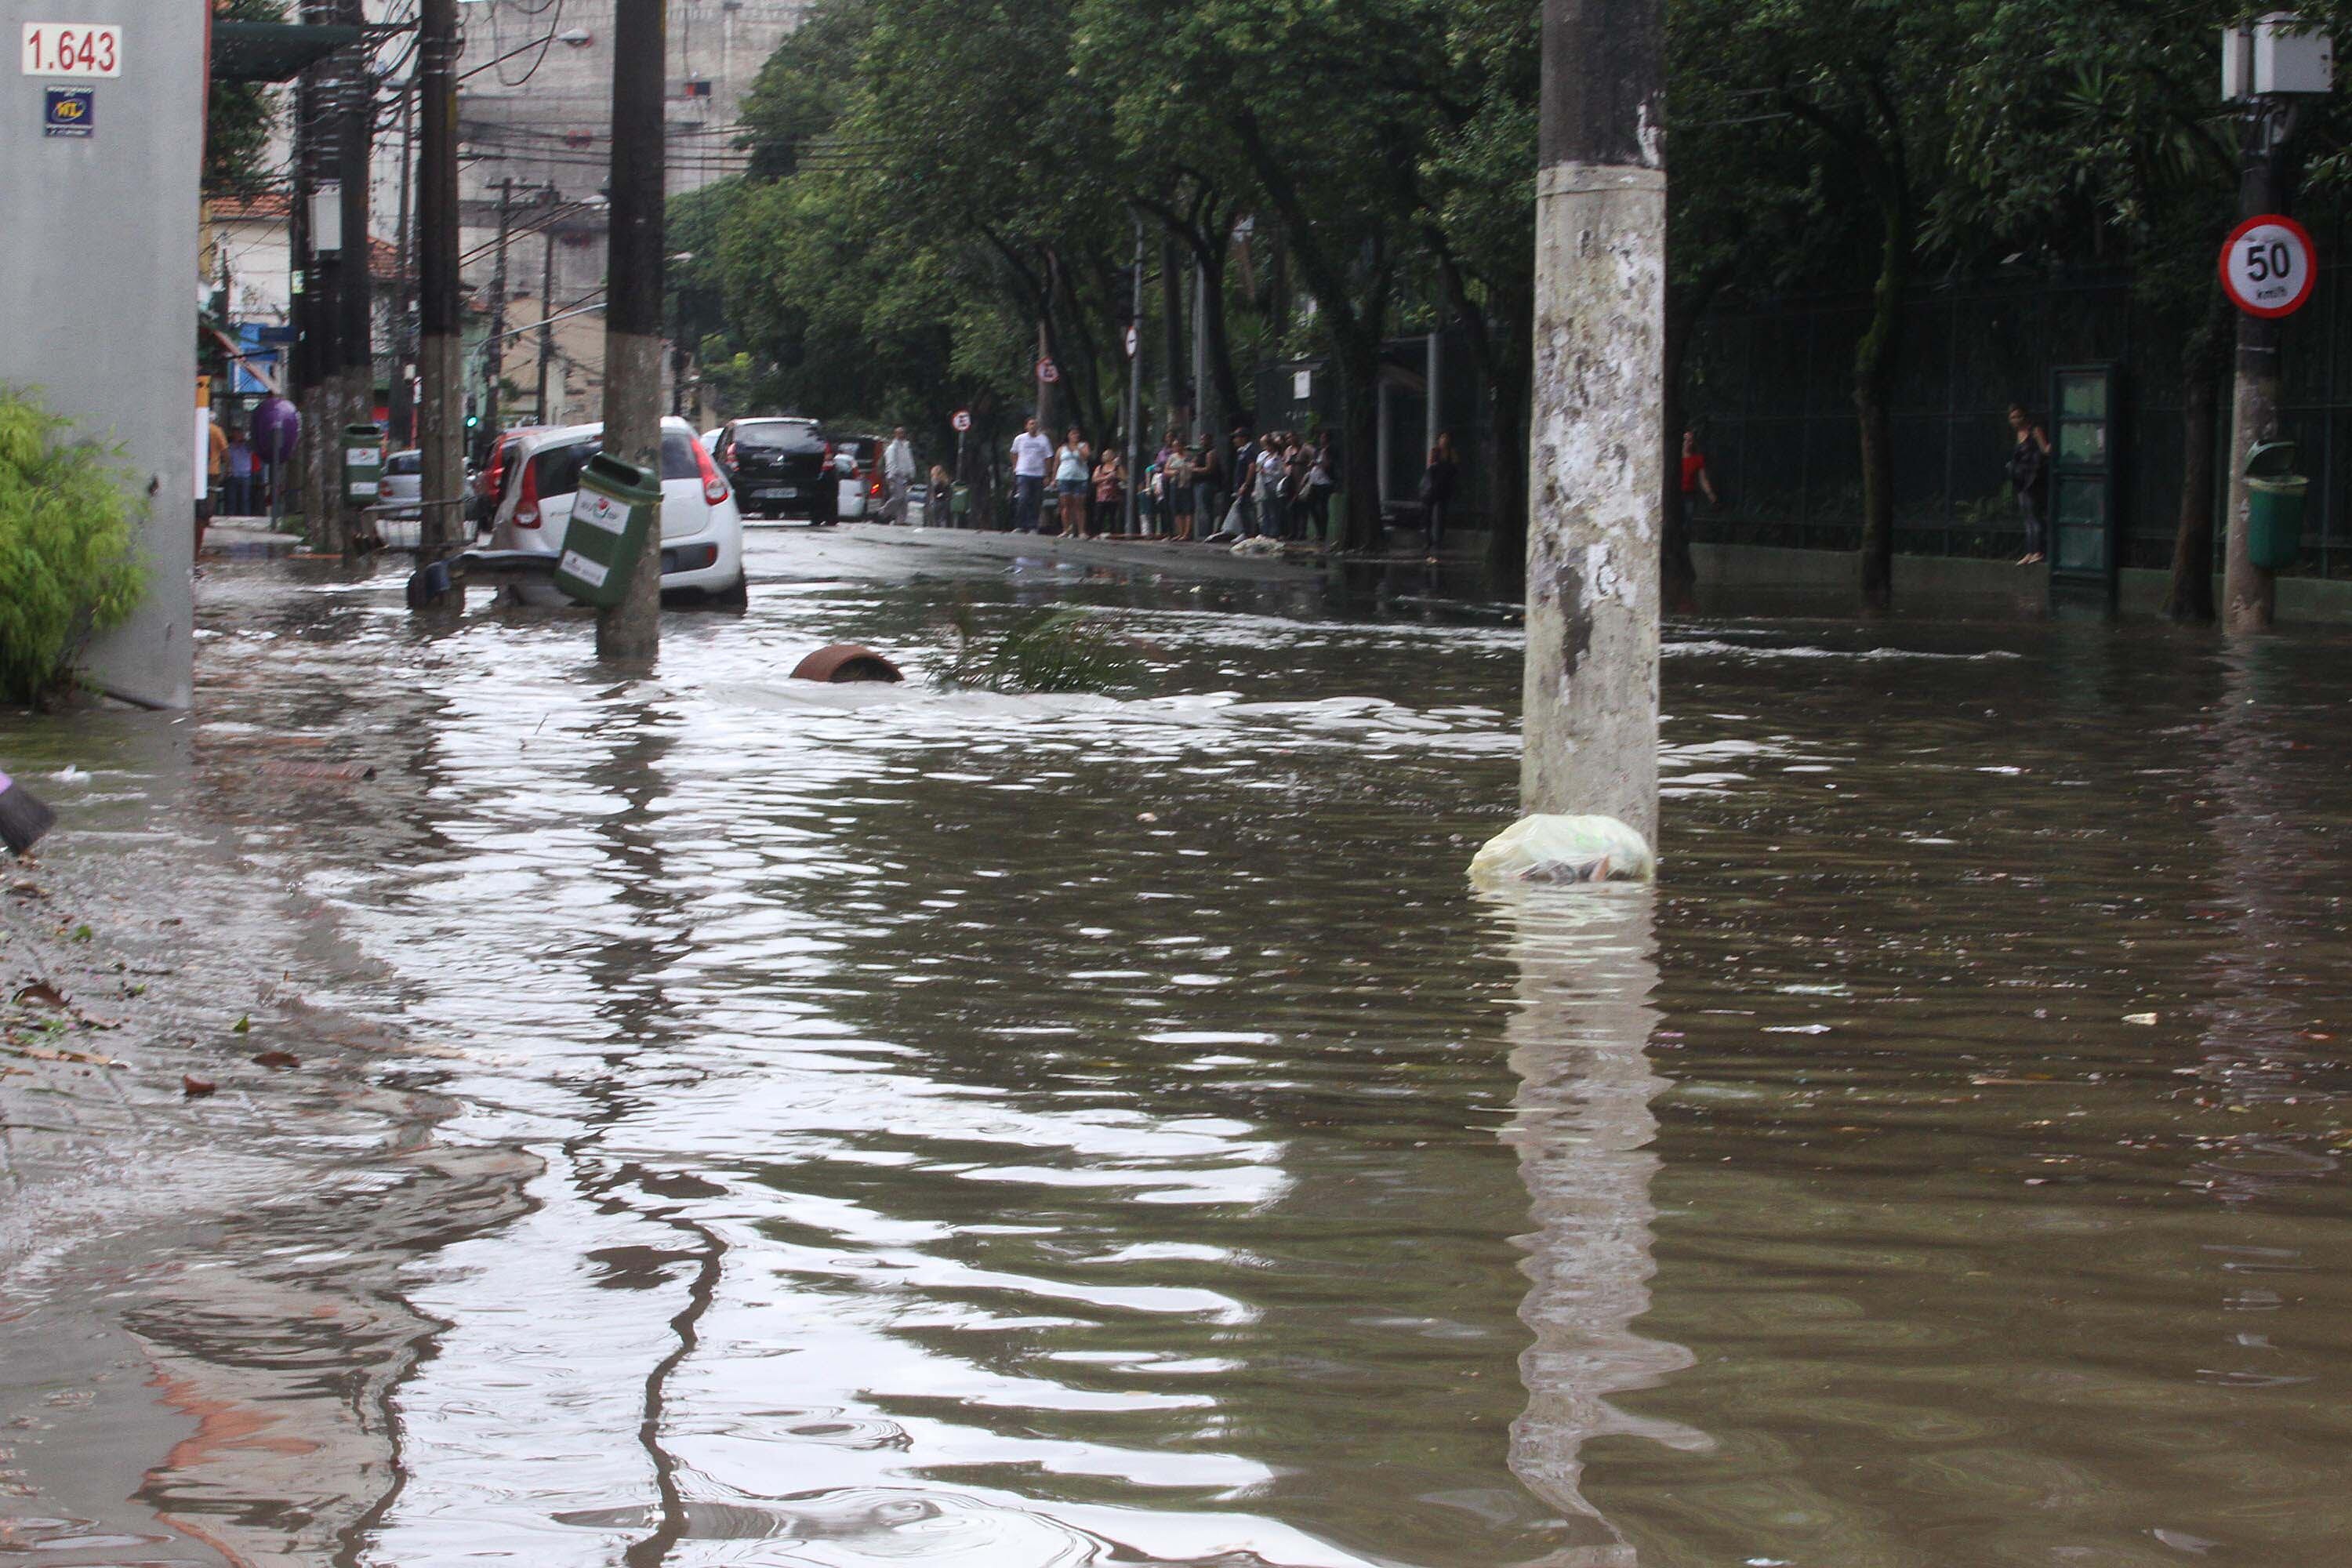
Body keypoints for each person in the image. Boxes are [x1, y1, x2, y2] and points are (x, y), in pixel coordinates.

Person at [2006, 403, 2052, 564]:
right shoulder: (2018, 434)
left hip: (2033, 479)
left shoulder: (2034, 431)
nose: (2015, 420)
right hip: (2021, 480)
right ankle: (2030, 550)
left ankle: (2038, 551)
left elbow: (2046, 450)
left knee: (2035, 515)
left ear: (2025, 416)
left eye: (2018, 416)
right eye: (2012, 418)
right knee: (2027, 517)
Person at [1421, 430, 1460, 562]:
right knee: (1428, 515)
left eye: (1446, 438)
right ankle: (1428, 540)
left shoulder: (1451, 453)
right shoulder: (1435, 452)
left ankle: (1439, 541)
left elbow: (1455, 468)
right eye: (1442, 438)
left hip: (1444, 488)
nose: (1444, 441)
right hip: (1433, 488)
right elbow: (1430, 467)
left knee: (1442, 515)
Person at [1010, 417, 1051, 533]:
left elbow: (1048, 457)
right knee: (1023, 498)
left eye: (1035, 424)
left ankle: (1033, 525)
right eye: (1031, 424)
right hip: (1023, 473)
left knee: (1036, 500)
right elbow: (1014, 453)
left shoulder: (1043, 440)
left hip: (1038, 474)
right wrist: (1015, 468)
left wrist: (1047, 475)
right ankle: (1020, 525)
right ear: (1026, 426)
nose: (1033, 426)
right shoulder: (1020, 439)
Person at [1055, 426, 1091, 538]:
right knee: (1065, 505)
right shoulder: (1062, 448)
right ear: (1068, 435)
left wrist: (1077, 448)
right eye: (1073, 433)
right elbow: (1056, 463)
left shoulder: (1083, 445)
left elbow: (1086, 458)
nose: (1075, 435)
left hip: (1080, 478)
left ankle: (1081, 531)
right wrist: (1053, 478)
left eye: (1077, 434)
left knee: (1079, 505)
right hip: (1064, 477)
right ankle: (1066, 530)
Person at [1679, 428, 1719, 529]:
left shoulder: (1697, 459)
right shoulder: (1675, 458)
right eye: (1685, 439)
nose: (1687, 443)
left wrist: (1710, 494)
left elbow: (1703, 479)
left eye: (1690, 440)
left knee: (1687, 521)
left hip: (1689, 494)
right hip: (1675, 494)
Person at [882, 426, 916, 525]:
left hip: (905, 476)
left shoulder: (906, 447)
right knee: (898, 497)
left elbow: (909, 461)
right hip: (895, 475)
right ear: (896, 434)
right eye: (900, 433)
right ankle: (883, 512)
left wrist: (911, 474)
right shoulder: (892, 448)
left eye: (903, 433)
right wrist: (892, 475)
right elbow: (891, 462)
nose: (903, 435)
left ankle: (901, 520)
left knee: (904, 499)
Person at [1164, 439, 1195, 543]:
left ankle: (1187, 533)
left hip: (1186, 483)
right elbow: (1166, 470)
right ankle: (1180, 532)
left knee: (1187, 508)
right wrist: (1174, 472)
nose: (1177, 448)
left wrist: (1186, 468)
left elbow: (1192, 467)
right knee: (1176, 508)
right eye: (1174, 446)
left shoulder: (1189, 457)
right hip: (1175, 482)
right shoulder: (1172, 457)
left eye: (1178, 445)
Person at [1094, 447, 1127, 537]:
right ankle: (1097, 533)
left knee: (1113, 516)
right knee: (1099, 516)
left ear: (1112, 456)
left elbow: (1124, 478)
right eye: (1104, 455)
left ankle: (1114, 534)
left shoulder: (1117, 467)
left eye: (1107, 454)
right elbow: (1094, 479)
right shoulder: (1100, 468)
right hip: (1101, 496)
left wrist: (1116, 476)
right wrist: (1106, 477)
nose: (1105, 456)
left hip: (1113, 496)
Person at [225, 426, 256, 517]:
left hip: (245, 475)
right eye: (236, 434)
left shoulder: (247, 446)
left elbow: (254, 444)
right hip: (233, 475)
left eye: (240, 433)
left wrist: (245, 439)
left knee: (245, 499)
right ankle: (230, 516)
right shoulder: (230, 447)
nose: (238, 435)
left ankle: (246, 516)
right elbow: (227, 458)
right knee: (232, 499)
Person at [928, 463, 956, 528]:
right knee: (943, 518)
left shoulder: (935, 481)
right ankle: (943, 528)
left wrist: (938, 496)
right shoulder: (946, 481)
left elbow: (935, 493)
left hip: (937, 501)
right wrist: (946, 496)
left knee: (936, 518)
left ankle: (937, 529)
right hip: (945, 501)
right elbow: (949, 492)